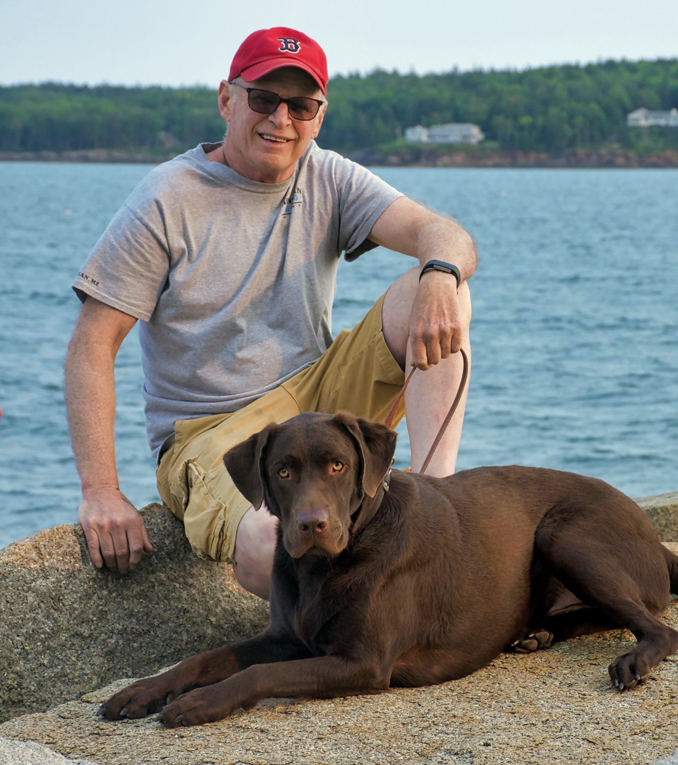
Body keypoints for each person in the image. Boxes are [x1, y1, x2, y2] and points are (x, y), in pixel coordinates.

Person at [65, 27, 476, 599]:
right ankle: (357, 628)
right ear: (227, 100)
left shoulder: (327, 175)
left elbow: (445, 234)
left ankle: (439, 512)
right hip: (210, 433)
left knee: (440, 288)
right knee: (267, 542)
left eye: (301, 105)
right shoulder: (166, 198)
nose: (281, 118)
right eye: (263, 98)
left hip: (317, 405)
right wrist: (102, 491)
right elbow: (92, 344)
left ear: (319, 115)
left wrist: (440, 271)